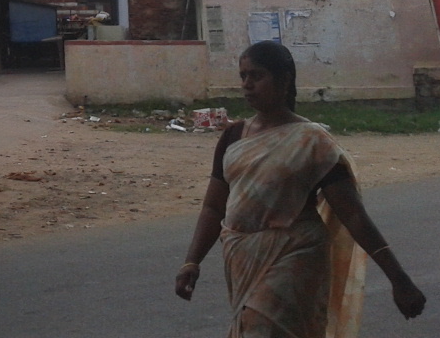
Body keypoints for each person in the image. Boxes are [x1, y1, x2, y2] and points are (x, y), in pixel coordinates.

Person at [175, 41, 426, 336]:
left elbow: (353, 214)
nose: (247, 84)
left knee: (261, 329)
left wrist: (398, 277)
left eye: (257, 75)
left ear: (284, 81)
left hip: (296, 254)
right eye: (243, 76)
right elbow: (213, 207)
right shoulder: (233, 136)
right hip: (242, 258)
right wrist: (192, 261)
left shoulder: (312, 140)